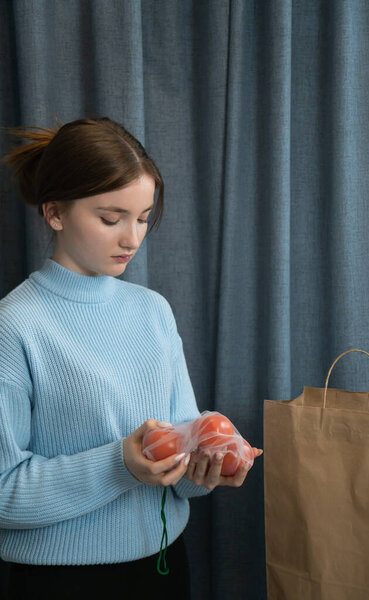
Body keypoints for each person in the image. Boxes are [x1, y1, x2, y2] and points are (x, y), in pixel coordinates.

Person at [0, 116, 263, 599]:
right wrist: (119, 463)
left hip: (163, 570)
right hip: (62, 584)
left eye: (143, 217)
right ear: (54, 212)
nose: (132, 239)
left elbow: (179, 457)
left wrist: (209, 461)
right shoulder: (14, 326)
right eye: (110, 218)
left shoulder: (152, 311)